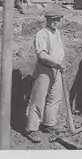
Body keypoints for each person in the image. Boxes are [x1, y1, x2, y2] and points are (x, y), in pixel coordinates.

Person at [24, 8, 67, 143]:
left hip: (57, 69)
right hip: (45, 69)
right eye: (53, 19)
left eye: (57, 19)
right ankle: (32, 129)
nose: (55, 22)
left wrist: (60, 63)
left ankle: (49, 124)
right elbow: (42, 54)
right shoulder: (42, 34)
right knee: (38, 99)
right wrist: (57, 63)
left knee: (55, 98)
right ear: (47, 20)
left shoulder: (57, 32)